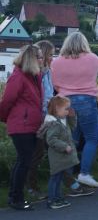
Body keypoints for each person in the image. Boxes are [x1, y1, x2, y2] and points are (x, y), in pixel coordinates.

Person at [52, 32, 98, 187]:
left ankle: (67, 177)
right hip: (87, 100)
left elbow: (55, 84)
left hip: (65, 102)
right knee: (92, 138)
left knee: (71, 139)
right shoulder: (94, 59)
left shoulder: (56, 62)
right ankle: (84, 173)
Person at [0, 45, 44, 210]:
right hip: (21, 125)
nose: (42, 60)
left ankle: (14, 196)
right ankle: (16, 198)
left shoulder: (34, 76)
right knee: (25, 161)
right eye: (39, 57)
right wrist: (6, 118)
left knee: (23, 161)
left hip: (29, 123)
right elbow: (6, 101)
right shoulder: (18, 76)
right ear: (32, 59)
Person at [37, 96, 78, 209]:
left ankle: (58, 197)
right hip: (57, 156)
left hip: (62, 156)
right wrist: (64, 146)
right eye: (66, 108)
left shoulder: (62, 120)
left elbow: (72, 128)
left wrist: (72, 117)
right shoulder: (53, 123)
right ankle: (52, 200)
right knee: (55, 177)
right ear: (57, 108)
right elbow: (51, 139)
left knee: (59, 178)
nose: (68, 111)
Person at [26, 40, 55, 200]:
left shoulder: (47, 71)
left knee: (42, 151)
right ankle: (31, 187)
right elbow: (43, 98)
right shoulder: (39, 74)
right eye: (50, 55)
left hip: (46, 116)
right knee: (36, 152)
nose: (52, 58)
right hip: (41, 117)